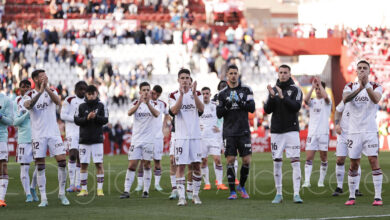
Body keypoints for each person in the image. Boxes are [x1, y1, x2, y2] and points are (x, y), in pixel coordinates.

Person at [23, 69, 69, 207]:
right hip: (38, 135)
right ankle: (44, 198)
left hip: (54, 133)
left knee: (62, 162)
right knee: (40, 166)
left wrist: (46, 89)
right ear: (36, 79)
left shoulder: (52, 90)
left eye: (46, 75)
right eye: (42, 76)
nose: (45, 77)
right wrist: (40, 92)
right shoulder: (29, 94)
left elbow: (58, 102)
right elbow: (29, 105)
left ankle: (62, 194)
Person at [342, 60, 383, 206]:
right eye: (359, 68)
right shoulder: (349, 86)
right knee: (353, 164)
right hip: (354, 132)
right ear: (356, 71)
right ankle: (352, 196)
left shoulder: (376, 86)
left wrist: (365, 86)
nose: (362, 70)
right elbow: (346, 99)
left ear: (369, 71)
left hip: (370, 130)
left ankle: (378, 197)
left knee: (373, 160)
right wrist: (359, 89)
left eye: (365, 68)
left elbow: (376, 99)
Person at [264, 64, 303, 204]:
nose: (283, 75)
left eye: (285, 72)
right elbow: (267, 110)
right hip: (276, 131)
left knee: (295, 163)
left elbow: (296, 107)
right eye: (280, 72)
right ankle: (279, 193)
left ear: (290, 73)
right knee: (277, 163)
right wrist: (271, 97)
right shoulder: (273, 89)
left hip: (291, 130)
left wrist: (282, 97)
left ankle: (296, 194)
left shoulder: (296, 90)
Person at [216, 64, 255, 200]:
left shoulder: (246, 90)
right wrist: (227, 104)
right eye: (231, 73)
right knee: (231, 160)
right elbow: (219, 114)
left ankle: (241, 186)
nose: (233, 75)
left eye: (235, 73)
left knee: (246, 161)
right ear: (227, 75)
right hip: (229, 132)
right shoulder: (222, 94)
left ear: (238, 74)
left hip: (243, 130)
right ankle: (232, 191)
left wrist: (240, 101)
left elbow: (252, 108)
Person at [169, 68, 204, 206]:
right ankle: (181, 197)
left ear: (190, 80)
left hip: (195, 136)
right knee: (181, 166)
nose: (185, 80)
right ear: (178, 80)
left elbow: (201, 109)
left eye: (187, 78)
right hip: (181, 137)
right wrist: (182, 95)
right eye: (182, 78)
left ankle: (195, 195)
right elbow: (173, 111)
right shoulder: (173, 95)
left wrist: (194, 94)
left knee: (196, 165)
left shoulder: (198, 93)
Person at [120, 82, 160, 199]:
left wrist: (148, 104)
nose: (146, 92)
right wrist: (139, 104)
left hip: (148, 140)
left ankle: (146, 191)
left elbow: (157, 114)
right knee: (132, 165)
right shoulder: (135, 103)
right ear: (140, 92)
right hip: (136, 140)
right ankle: (126, 190)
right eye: (144, 90)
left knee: (147, 164)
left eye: (148, 90)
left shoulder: (154, 103)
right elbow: (129, 113)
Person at [74, 85, 108, 197]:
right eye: (89, 94)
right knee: (84, 164)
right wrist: (87, 118)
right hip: (84, 140)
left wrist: (96, 117)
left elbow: (105, 120)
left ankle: (100, 190)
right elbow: (76, 120)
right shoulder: (81, 106)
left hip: (97, 140)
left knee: (99, 164)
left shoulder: (102, 105)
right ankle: (84, 190)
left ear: (96, 94)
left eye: (93, 94)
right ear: (86, 95)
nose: (91, 96)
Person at [135, 85, 169, 192]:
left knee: (157, 160)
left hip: (158, 136)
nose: (155, 96)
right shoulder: (145, 102)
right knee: (142, 161)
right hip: (146, 136)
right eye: (153, 93)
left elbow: (167, 115)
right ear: (151, 91)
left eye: (157, 95)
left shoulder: (162, 104)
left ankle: (157, 184)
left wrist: (164, 126)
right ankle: (140, 184)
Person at [302, 78, 331, 188]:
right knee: (309, 157)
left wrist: (321, 85)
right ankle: (307, 181)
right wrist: (313, 87)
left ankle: (321, 181)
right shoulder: (312, 101)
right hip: (312, 133)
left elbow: (326, 98)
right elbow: (305, 100)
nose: (318, 90)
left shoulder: (327, 101)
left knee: (323, 157)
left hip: (323, 133)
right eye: (316, 89)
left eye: (320, 88)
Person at [14, 79, 39, 203]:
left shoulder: (35, 99)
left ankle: (32, 187)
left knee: (39, 165)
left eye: (27, 87)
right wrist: (26, 114)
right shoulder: (17, 101)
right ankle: (28, 194)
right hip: (24, 139)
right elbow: (15, 122)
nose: (25, 89)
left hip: (37, 136)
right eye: (23, 87)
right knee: (25, 167)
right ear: (19, 88)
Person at [60, 81, 88, 193]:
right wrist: (77, 119)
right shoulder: (69, 99)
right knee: (72, 155)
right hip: (72, 132)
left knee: (81, 158)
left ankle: (78, 184)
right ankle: (71, 184)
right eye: (80, 89)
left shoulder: (88, 100)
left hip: (84, 132)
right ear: (75, 90)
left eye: (84, 89)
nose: (83, 91)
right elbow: (63, 115)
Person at [200, 87, 228, 190]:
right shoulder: (198, 107)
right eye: (203, 94)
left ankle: (219, 183)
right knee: (203, 161)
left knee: (217, 159)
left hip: (213, 137)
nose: (205, 95)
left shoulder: (215, 106)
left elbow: (223, 118)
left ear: (210, 94)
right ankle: (207, 183)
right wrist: (197, 126)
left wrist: (219, 128)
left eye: (207, 93)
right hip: (202, 138)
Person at [332, 100, 362, 197]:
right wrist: (337, 124)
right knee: (340, 160)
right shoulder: (346, 99)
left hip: (355, 134)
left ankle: (356, 188)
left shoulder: (362, 101)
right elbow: (337, 111)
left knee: (355, 160)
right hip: (343, 134)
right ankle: (339, 187)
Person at [0, 83, 14, 207]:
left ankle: (1, 199)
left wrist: (0, 116)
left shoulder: (6, 100)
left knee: (2, 167)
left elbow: (11, 121)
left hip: (1, 137)